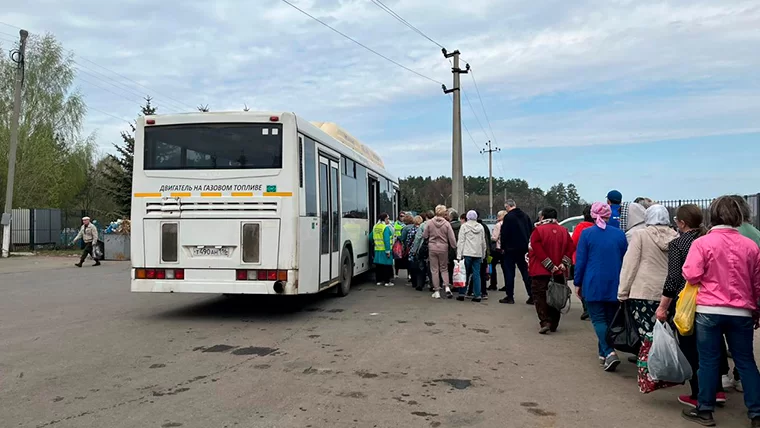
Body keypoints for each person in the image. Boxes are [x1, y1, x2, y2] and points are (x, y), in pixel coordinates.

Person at [680, 196, 760, 427]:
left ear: (712, 214)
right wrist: (756, 311)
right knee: (746, 362)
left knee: (708, 361)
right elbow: (756, 284)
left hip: (709, 309)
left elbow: (692, 275)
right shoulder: (751, 246)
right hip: (742, 311)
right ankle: (756, 413)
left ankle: (705, 409)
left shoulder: (703, 243)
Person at [654, 204, 727, 409]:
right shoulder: (709, 240)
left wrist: (663, 306)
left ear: (682, 223)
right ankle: (718, 388)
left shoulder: (678, 244)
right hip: (712, 298)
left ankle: (698, 392)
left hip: (687, 300)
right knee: (713, 344)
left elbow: (674, 278)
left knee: (690, 346)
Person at [574, 202, 628, 372]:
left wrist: (577, 282)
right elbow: (625, 259)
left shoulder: (587, 234)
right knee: (610, 320)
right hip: (615, 281)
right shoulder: (620, 235)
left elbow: (581, 261)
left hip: (593, 281)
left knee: (598, 319)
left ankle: (609, 352)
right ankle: (603, 353)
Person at [618, 205, 678, 338]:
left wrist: (623, 291)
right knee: (665, 332)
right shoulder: (676, 236)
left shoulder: (640, 235)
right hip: (668, 292)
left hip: (643, 291)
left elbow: (630, 264)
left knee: (645, 333)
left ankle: (647, 356)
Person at [528, 207, 575, 334]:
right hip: (559, 270)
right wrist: (563, 263)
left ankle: (545, 321)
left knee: (540, 296)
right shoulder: (563, 231)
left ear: (542, 217)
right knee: (556, 297)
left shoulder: (538, 230)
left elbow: (537, 249)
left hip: (540, 270)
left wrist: (549, 264)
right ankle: (554, 323)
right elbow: (571, 247)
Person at [499, 199, 534, 305]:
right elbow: (531, 230)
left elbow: (504, 233)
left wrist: (503, 247)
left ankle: (510, 296)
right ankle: (531, 295)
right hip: (523, 248)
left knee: (509, 272)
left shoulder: (508, 217)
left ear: (507, 207)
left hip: (510, 249)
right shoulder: (525, 216)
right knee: (525, 271)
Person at [423, 205, 457, 299]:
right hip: (443, 248)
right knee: (444, 268)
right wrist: (455, 248)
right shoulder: (446, 224)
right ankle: (446, 287)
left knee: (434, 270)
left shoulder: (429, 223)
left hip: (432, 247)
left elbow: (425, 235)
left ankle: (437, 291)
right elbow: (452, 238)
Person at [456, 210, 488, 303]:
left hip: (466, 253)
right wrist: (483, 254)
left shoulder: (464, 226)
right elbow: (483, 242)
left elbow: (461, 241)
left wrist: (459, 255)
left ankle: (462, 293)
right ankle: (477, 295)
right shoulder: (480, 227)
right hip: (477, 254)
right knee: (477, 274)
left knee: (464, 273)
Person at [572, 205, 594, 320]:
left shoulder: (581, 227)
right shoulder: (599, 227)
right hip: (594, 260)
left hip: (580, 258)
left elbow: (573, 242)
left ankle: (586, 308)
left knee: (582, 284)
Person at [372, 213, 394, 287]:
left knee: (378, 266)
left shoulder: (375, 227)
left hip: (377, 249)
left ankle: (378, 281)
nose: (388, 220)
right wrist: (388, 251)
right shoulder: (385, 228)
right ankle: (387, 282)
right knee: (387, 266)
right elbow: (387, 240)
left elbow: (370, 237)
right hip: (385, 250)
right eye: (387, 218)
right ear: (384, 219)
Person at [489, 210, 507, 291]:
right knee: (505, 268)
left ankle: (493, 284)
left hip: (497, 249)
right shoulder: (508, 224)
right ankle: (507, 285)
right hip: (505, 249)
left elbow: (494, 238)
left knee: (492, 266)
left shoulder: (498, 225)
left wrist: (491, 238)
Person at [407, 216, 425, 291]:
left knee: (413, 267)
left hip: (412, 250)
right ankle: (420, 283)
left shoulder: (411, 230)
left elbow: (408, 240)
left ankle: (414, 282)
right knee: (421, 267)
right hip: (420, 250)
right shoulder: (423, 229)